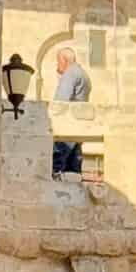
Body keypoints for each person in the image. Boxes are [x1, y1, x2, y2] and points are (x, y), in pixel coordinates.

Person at [52, 46, 90, 175]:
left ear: (64, 60)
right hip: (77, 132)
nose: (57, 66)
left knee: (56, 169)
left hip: (65, 132)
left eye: (58, 61)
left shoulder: (70, 73)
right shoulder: (84, 75)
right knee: (74, 174)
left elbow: (60, 102)